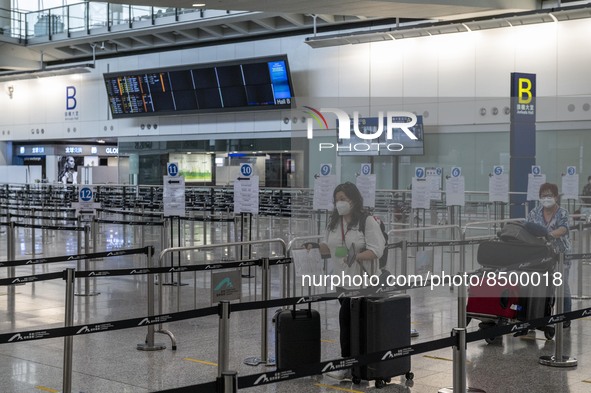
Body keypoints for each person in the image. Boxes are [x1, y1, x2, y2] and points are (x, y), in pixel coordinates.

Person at [318, 182, 386, 380]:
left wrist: (356, 256)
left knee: (349, 321)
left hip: (363, 283)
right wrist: (314, 247)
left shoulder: (367, 221)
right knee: (348, 323)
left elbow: (376, 250)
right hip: (342, 281)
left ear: (354, 201)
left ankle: (353, 363)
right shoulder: (334, 223)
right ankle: (352, 364)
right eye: (337, 200)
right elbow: (335, 250)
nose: (339, 204)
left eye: (343, 200)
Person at [527, 182, 572, 327]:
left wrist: (549, 235)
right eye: (543, 195)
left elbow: (563, 229)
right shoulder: (534, 212)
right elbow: (527, 228)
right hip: (540, 256)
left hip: (560, 255)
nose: (546, 198)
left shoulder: (562, 212)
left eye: (549, 195)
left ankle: (565, 317)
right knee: (543, 286)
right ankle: (541, 316)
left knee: (561, 286)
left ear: (556, 196)